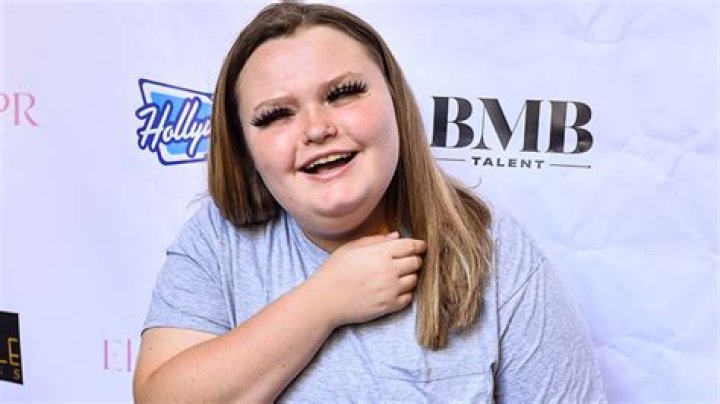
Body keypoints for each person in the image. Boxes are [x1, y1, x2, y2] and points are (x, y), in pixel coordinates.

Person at [133, 3, 607, 402]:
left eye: (343, 94)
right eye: (276, 115)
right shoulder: (216, 238)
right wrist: (323, 302)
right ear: (244, 147)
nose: (317, 129)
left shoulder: (491, 250)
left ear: (395, 100)